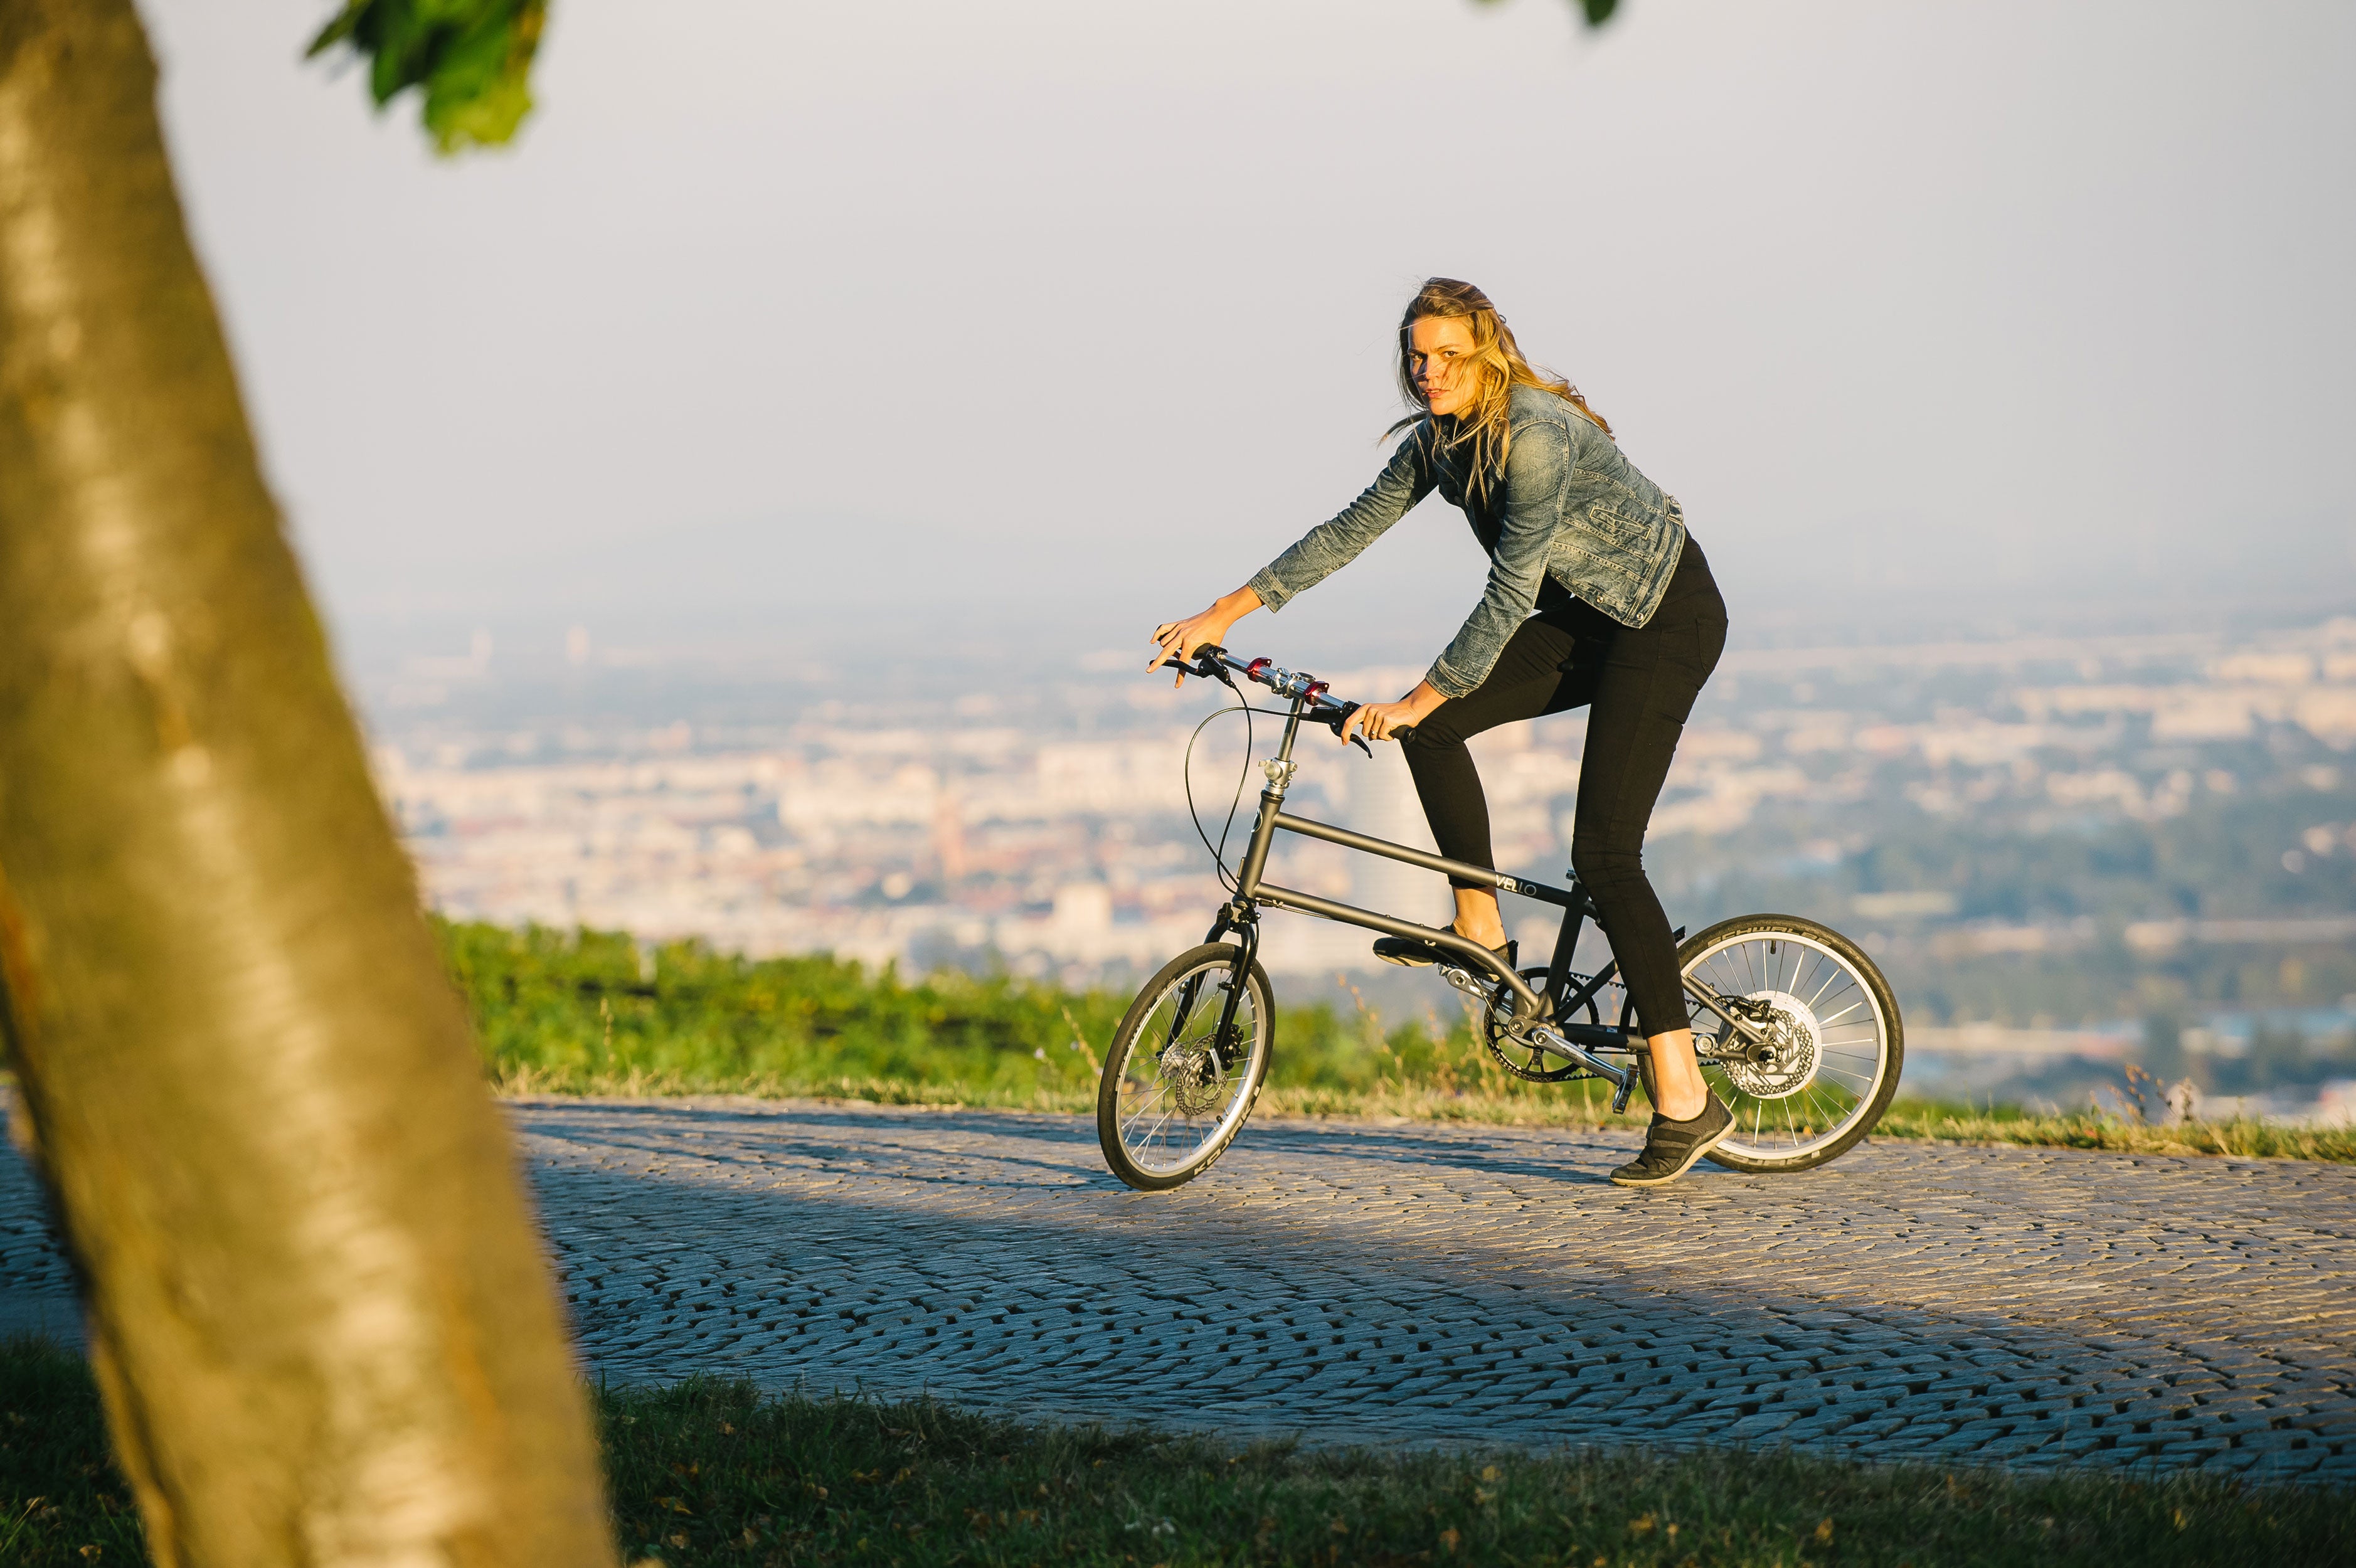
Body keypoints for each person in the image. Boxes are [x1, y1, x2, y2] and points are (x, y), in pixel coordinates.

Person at [1149, 278, 1731, 1187]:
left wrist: (1426, 691)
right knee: (1429, 736)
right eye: (1416, 357)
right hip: (1584, 618)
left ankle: (1687, 1097)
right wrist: (1225, 612)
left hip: (1662, 620)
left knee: (1606, 857)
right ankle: (1480, 926)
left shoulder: (1534, 436)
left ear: (1488, 350)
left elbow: (1510, 589)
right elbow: (1348, 531)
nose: (1428, 372)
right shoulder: (1440, 445)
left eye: (1448, 356)